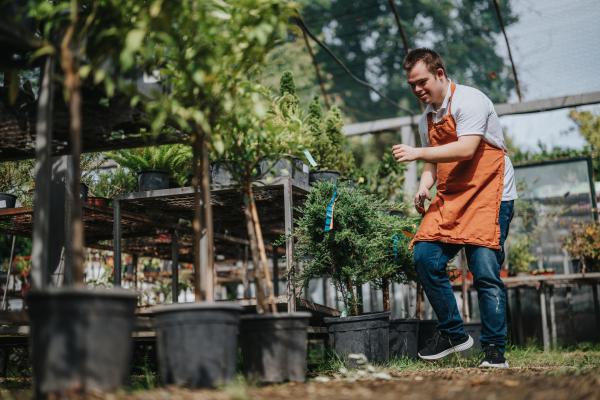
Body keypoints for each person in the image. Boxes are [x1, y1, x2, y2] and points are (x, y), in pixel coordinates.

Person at [392, 48, 517, 368]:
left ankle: (494, 352)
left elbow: (466, 148)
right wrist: (423, 186)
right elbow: (435, 162)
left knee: (485, 271)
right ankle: (454, 333)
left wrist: (417, 153)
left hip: (490, 194)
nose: (418, 90)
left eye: (422, 82)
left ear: (440, 74)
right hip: (453, 195)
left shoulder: (470, 101)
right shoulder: (428, 119)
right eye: (412, 85)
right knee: (425, 256)